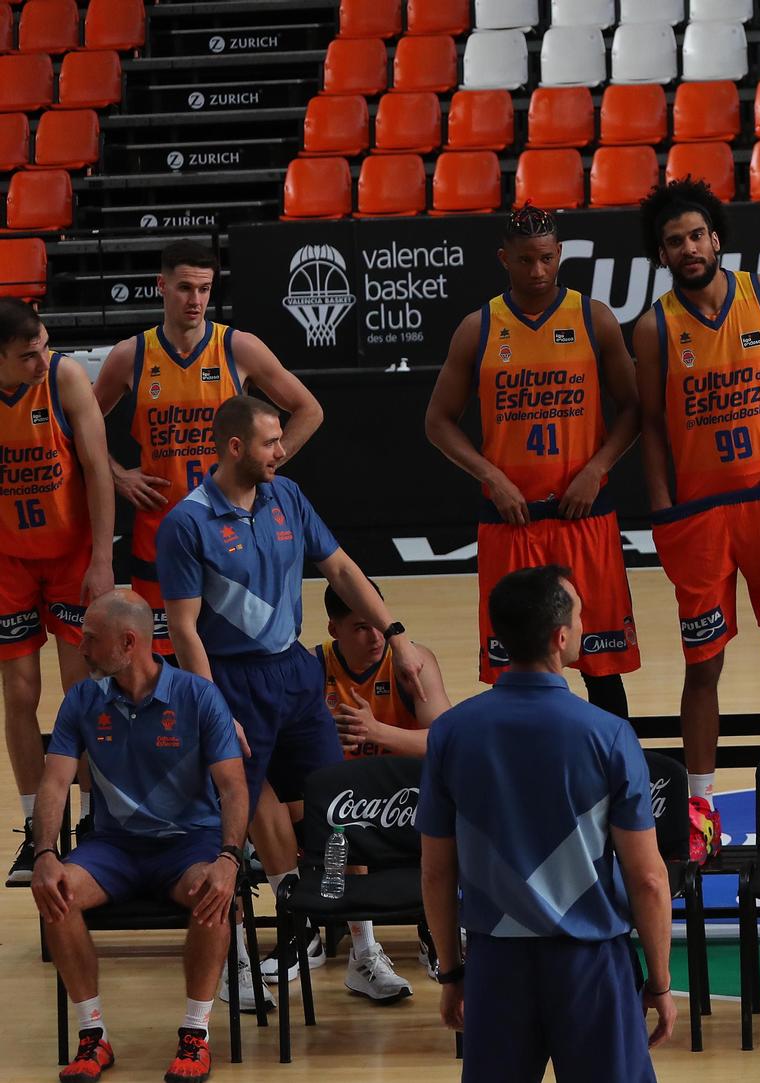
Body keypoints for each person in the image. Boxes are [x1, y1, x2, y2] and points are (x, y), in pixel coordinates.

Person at [155, 394, 429, 1007]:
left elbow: (342, 571)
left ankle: (361, 951)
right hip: (231, 681)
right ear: (234, 448)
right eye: (269, 442)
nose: (282, 450)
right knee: (238, 812)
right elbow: (183, 629)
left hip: (295, 676)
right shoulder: (187, 524)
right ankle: (236, 961)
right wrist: (212, 706)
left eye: (281, 439)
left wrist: (396, 634)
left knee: (340, 801)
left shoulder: (288, 497)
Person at [419, 565, 676, 1081]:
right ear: (561, 638)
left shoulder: (450, 734)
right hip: (592, 966)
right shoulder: (609, 736)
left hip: (496, 966)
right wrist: (661, 983)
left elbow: (436, 874)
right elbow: (647, 879)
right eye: (579, 616)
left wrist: (451, 972)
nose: (583, 624)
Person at [632, 180, 760, 805]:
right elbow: (653, 427)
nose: (687, 248)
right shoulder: (653, 327)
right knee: (702, 665)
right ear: (661, 256)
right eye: (672, 242)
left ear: (715, 239)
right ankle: (700, 806)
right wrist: (662, 507)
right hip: (698, 516)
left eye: (694, 235)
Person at [423, 206, 641, 716]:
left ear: (560, 253)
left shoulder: (594, 318)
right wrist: (490, 476)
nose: (538, 271)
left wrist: (597, 468)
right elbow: (437, 422)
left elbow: (634, 409)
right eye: (525, 260)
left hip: (583, 517)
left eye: (546, 258)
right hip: (511, 522)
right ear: (504, 259)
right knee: (513, 673)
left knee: (601, 669)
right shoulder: (478, 328)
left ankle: (614, 783)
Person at [28, 589, 247, 1083]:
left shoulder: (198, 697)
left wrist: (229, 858)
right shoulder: (82, 699)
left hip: (189, 842)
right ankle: (93, 1036)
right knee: (55, 891)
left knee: (213, 893)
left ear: (128, 642)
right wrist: (45, 852)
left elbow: (233, 788)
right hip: (115, 848)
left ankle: (195, 1034)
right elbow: (55, 781)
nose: (79, 647)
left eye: (90, 639)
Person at [91, 240, 325, 660]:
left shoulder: (239, 347)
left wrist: (272, 455)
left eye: (204, 289)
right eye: (184, 287)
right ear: (161, 286)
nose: (195, 299)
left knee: (238, 654)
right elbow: (79, 426)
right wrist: (117, 473)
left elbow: (309, 409)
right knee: (160, 662)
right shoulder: (131, 356)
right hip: (161, 530)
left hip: (231, 532)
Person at [2, 300, 115, 887]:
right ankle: (33, 832)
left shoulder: (66, 377)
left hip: (71, 557)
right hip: (9, 561)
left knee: (84, 692)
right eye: (27, 355)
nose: (41, 359)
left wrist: (102, 558)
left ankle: (96, 822)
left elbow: (98, 469)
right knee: (20, 694)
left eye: (44, 345)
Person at [322, 579, 449, 760]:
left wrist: (375, 732)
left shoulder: (415, 661)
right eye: (362, 628)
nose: (377, 637)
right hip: (341, 782)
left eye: (379, 623)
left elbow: (446, 740)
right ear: (334, 630)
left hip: (401, 781)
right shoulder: (313, 665)